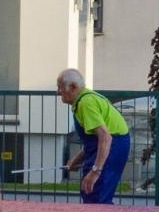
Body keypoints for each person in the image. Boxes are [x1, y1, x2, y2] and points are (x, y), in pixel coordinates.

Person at [56, 69, 132, 204]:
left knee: (96, 195)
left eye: (60, 87)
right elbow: (93, 142)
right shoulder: (84, 100)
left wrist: (96, 171)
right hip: (111, 145)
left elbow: (106, 138)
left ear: (73, 86)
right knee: (90, 192)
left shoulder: (86, 103)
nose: (58, 92)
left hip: (113, 146)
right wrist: (76, 160)